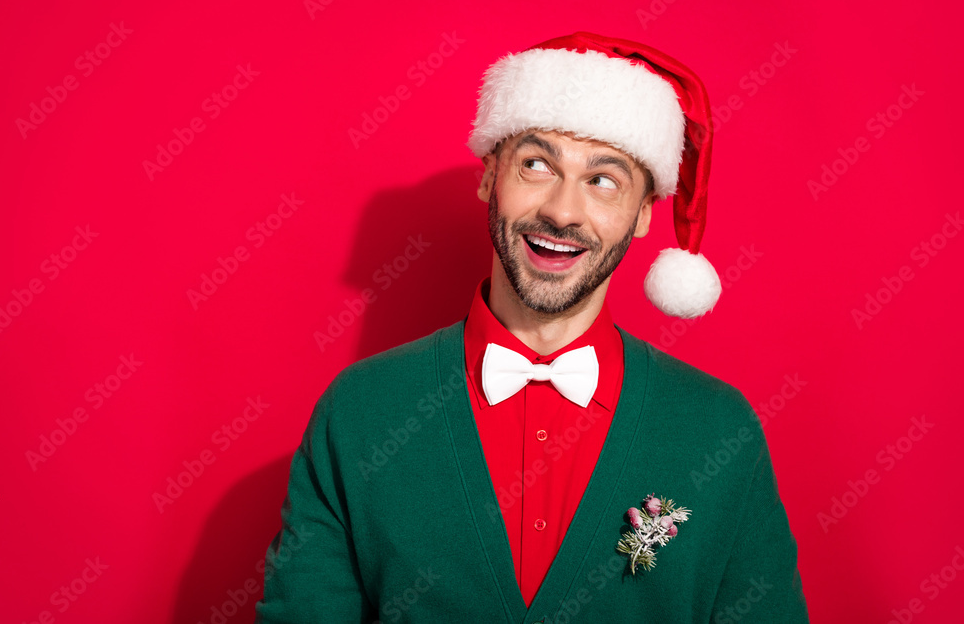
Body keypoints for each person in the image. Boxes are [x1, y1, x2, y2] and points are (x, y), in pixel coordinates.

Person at [254, 31, 809, 623]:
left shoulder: (718, 429)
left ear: (644, 213)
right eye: (537, 165)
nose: (562, 211)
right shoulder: (360, 412)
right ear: (490, 177)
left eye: (604, 180)